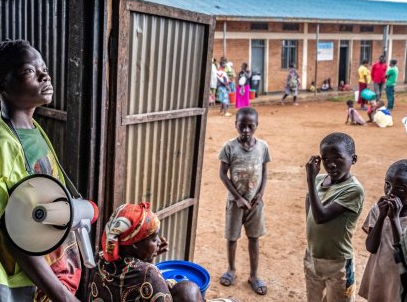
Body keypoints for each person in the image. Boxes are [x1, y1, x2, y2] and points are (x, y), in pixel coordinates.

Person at [0, 40, 82, 301]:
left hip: (49, 275)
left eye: (43, 68)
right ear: (1, 85)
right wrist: (63, 297)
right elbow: (12, 236)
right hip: (21, 287)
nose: (45, 75)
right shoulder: (1, 146)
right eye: (29, 71)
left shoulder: (34, 130)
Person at [88, 202, 240, 302]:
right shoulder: (147, 274)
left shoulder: (102, 258)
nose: (160, 241)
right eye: (154, 239)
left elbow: (127, 285)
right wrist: (148, 266)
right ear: (134, 245)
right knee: (189, 290)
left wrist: (148, 258)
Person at [304, 132, 365, 302]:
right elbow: (310, 201)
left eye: (338, 158)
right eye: (325, 159)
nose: (331, 164)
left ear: (353, 159)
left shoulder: (353, 190)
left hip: (338, 263)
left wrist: (310, 178)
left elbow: (320, 217)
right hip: (312, 256)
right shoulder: (319, 180)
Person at [218, 107, 271, 295]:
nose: (246, 130)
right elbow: (222, 175)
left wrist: (260, 194)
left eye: (250, 126)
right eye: (242, 126)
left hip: (255, 204)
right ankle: (231, 270)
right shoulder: (229, 147)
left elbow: (264, 172)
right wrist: (238, 198)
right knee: (232, 238)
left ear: (257, 125)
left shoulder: (263, 147)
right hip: (235, 203)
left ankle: (254, 275)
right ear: (236, 125)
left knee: (254, 238)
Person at [358, 159, 407, 302]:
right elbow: (371, 247)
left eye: (400, 189)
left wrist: (394, 220)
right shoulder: (378, 209)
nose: (390, 193)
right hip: (380, 276)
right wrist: (382, 217)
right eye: (387, 185)